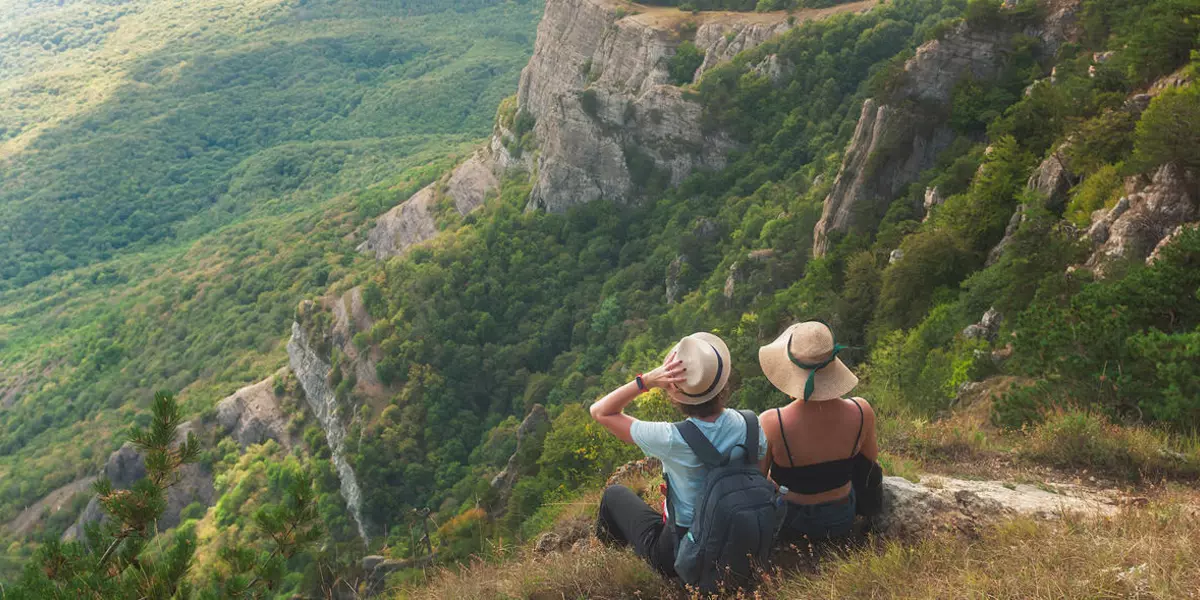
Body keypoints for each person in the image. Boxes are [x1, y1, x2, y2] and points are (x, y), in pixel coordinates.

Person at [589, 332, 767, 576]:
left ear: (674, 393)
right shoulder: (750, 423)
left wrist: (645, 381)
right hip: (745, 531)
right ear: (723, 385)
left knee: (614, 495)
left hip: (685, 548)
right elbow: (757, 472)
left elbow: (600, 412)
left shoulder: (672, 438)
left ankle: (610, 558)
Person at [756, 320, 878, 540]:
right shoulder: (862, 411)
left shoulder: (773, 422)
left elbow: (757, 480)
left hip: (791, 521)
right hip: (842, 516)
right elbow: (870, 461)